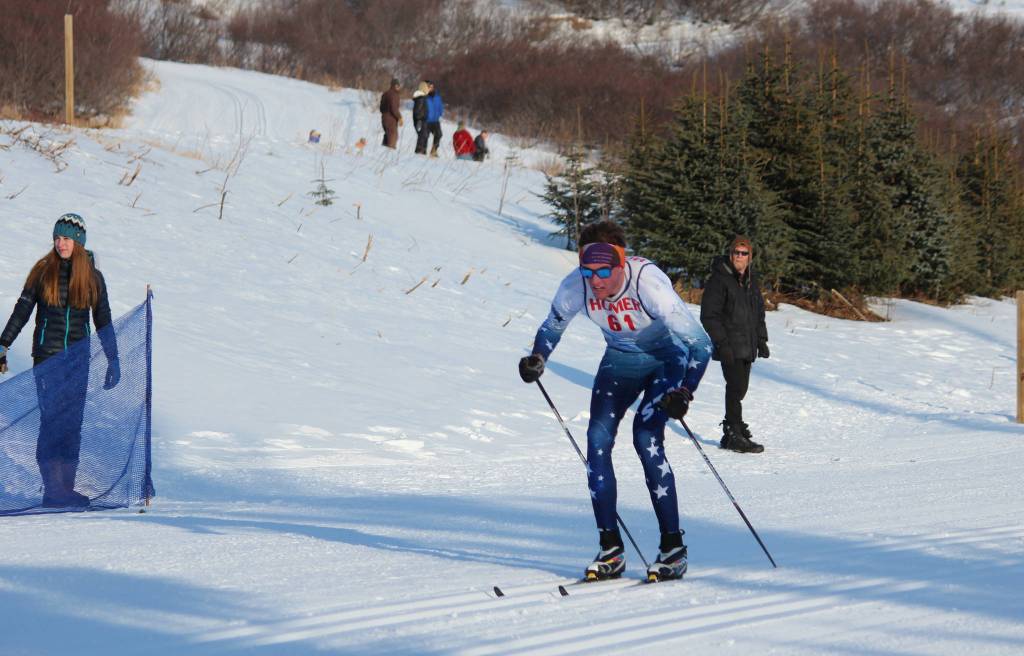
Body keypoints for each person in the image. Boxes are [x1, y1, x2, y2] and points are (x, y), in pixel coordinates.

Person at [518, 220, 712, 582]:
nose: (596, 280)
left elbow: (702, 344)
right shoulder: (577, 284)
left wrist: (684, 392)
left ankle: (673, 549)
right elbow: (552, 327)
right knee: (596, 441)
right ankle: (611, 549)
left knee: (645, 437)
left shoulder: (649, 284)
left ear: (622, 263)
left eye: (604, 270)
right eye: (588, 270)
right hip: (620, 361)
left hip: (666, 359)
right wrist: (537, 359)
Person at [0, 214, 119, 508]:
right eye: (57, 238)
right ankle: (53, 489)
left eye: (66, 238)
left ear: (78, 242)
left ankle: (65, 487)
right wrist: (3, 344)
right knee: (52, 422)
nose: (60, 243)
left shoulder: (93, 277)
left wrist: (113, 358)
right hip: (47, 359)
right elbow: (22, 311)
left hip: (78, 361)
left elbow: (103, 319)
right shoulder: (43, 272)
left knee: (72, 424)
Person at [699, 235, 769, 454]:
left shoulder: (750, 280)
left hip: (747, 344)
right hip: (730, 344)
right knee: (735, 387)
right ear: (730, 255)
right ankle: (732, 433)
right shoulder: (719, 280)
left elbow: (758, 312)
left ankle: (735, 425)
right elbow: (709, 316)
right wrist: (722, 344)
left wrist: (761, 339)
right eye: (736, 253)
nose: (740, 257)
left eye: (744, 253)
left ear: (750, 257)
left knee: (741, 388)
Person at [379, 78, 403, 149]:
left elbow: (381, 108)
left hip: (384, 118)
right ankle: (390, 154)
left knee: (387, 135)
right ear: (395, 86)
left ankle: (382, 151)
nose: (399, 87)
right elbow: (394, 108)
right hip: (391, 119)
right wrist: (400, 117)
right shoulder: (394, 95)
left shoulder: (385, 94)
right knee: (393, 136)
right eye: (398, 86)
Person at [425, 81, 444, 157]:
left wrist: (440, 113)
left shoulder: (437, 96)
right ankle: (422, 152)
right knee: (425, 136)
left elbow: (440, 106)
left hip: (435, 120)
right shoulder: (424, 97)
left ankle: (434, 150)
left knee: (439, 134)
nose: (431, 88)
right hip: (426, 120)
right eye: (429, 87)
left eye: (432, 87)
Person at [412, 80, 430, 155]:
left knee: (425, 136)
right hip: (421, 121)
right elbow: (417, 111)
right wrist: (420, 119)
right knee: (422, 137)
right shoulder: (421, 98)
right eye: (427, 88)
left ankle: (423, 152)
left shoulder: (423, 97)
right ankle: (419, 152)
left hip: (424, 121)